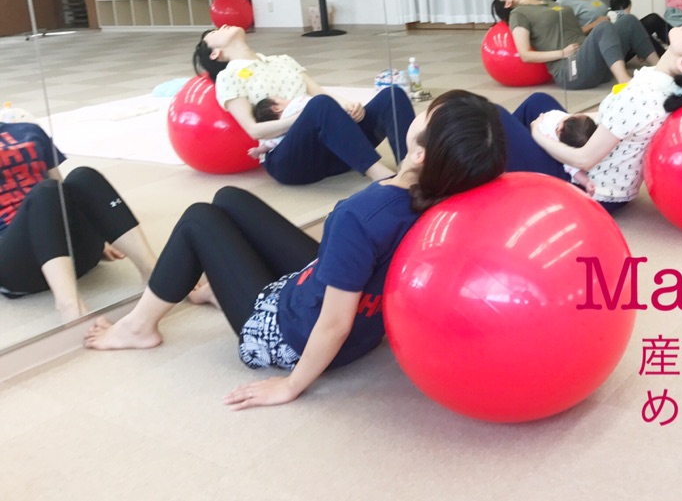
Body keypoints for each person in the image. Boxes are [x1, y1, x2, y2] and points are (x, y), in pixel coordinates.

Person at [84, 90, 507, 411]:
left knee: (199, 219)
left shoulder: (363, 215)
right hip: (357, 315)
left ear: (420, 153)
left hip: (294, 336)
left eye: (425, 115)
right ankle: (217, 291)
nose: (417, 114)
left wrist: (290, 386)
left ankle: (138, 327)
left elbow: (334, 325)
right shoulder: (451, 200)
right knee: (230, 198)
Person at [499, 22, 682, 212]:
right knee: (538, 102)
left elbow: (583, 159)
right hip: (614, 186)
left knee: (497, 117)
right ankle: (509, 167)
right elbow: (613, 118)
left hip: (587, 189)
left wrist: (537, 134)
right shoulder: (671, 87)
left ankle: (498, 172)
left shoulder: (640, 97)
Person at [193, 25, 414, 184]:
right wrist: (304, 115)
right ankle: (384, 178)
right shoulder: (228, 77)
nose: (223, 26)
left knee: (392, 95)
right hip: (290, 161)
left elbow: (319, 92)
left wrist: (347, 105)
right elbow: (253, 129)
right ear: (215, 53)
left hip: (335, 149)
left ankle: (412, 169)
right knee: (318, 105)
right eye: (214, 32)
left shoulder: (283, 61)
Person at [0, 122, 156, 322]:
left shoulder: (28, 130)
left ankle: (153, 273)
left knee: (82, 176)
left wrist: (97, 229)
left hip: (71, 253)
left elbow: (61, 188)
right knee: (45, 191)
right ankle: (70, 306)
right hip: (17, 265)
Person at [492, 0, 659, 90]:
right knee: (604, 27)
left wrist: (594, 27)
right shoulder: (518, 14)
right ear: (508, 3)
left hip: (590, 59)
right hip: (569, 70)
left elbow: (573, 31)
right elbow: (525, 55)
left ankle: (660, 69)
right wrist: (562, 53)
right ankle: (623, 81)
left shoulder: (548, 2)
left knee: (628, 21)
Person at [536, 0, 669, 54]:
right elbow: (569, 35)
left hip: (616, 31)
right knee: (641, 28)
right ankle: (668, 60)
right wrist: (594, 24)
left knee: (652, 20)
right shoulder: (563, 4)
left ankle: (676, 52)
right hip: (607, 45)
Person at [535, 109, 598, 194]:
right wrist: (587, 182)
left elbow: (574, 170)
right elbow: (575, 171)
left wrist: (586, 182)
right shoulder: (562, 138)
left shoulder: (556, 116)